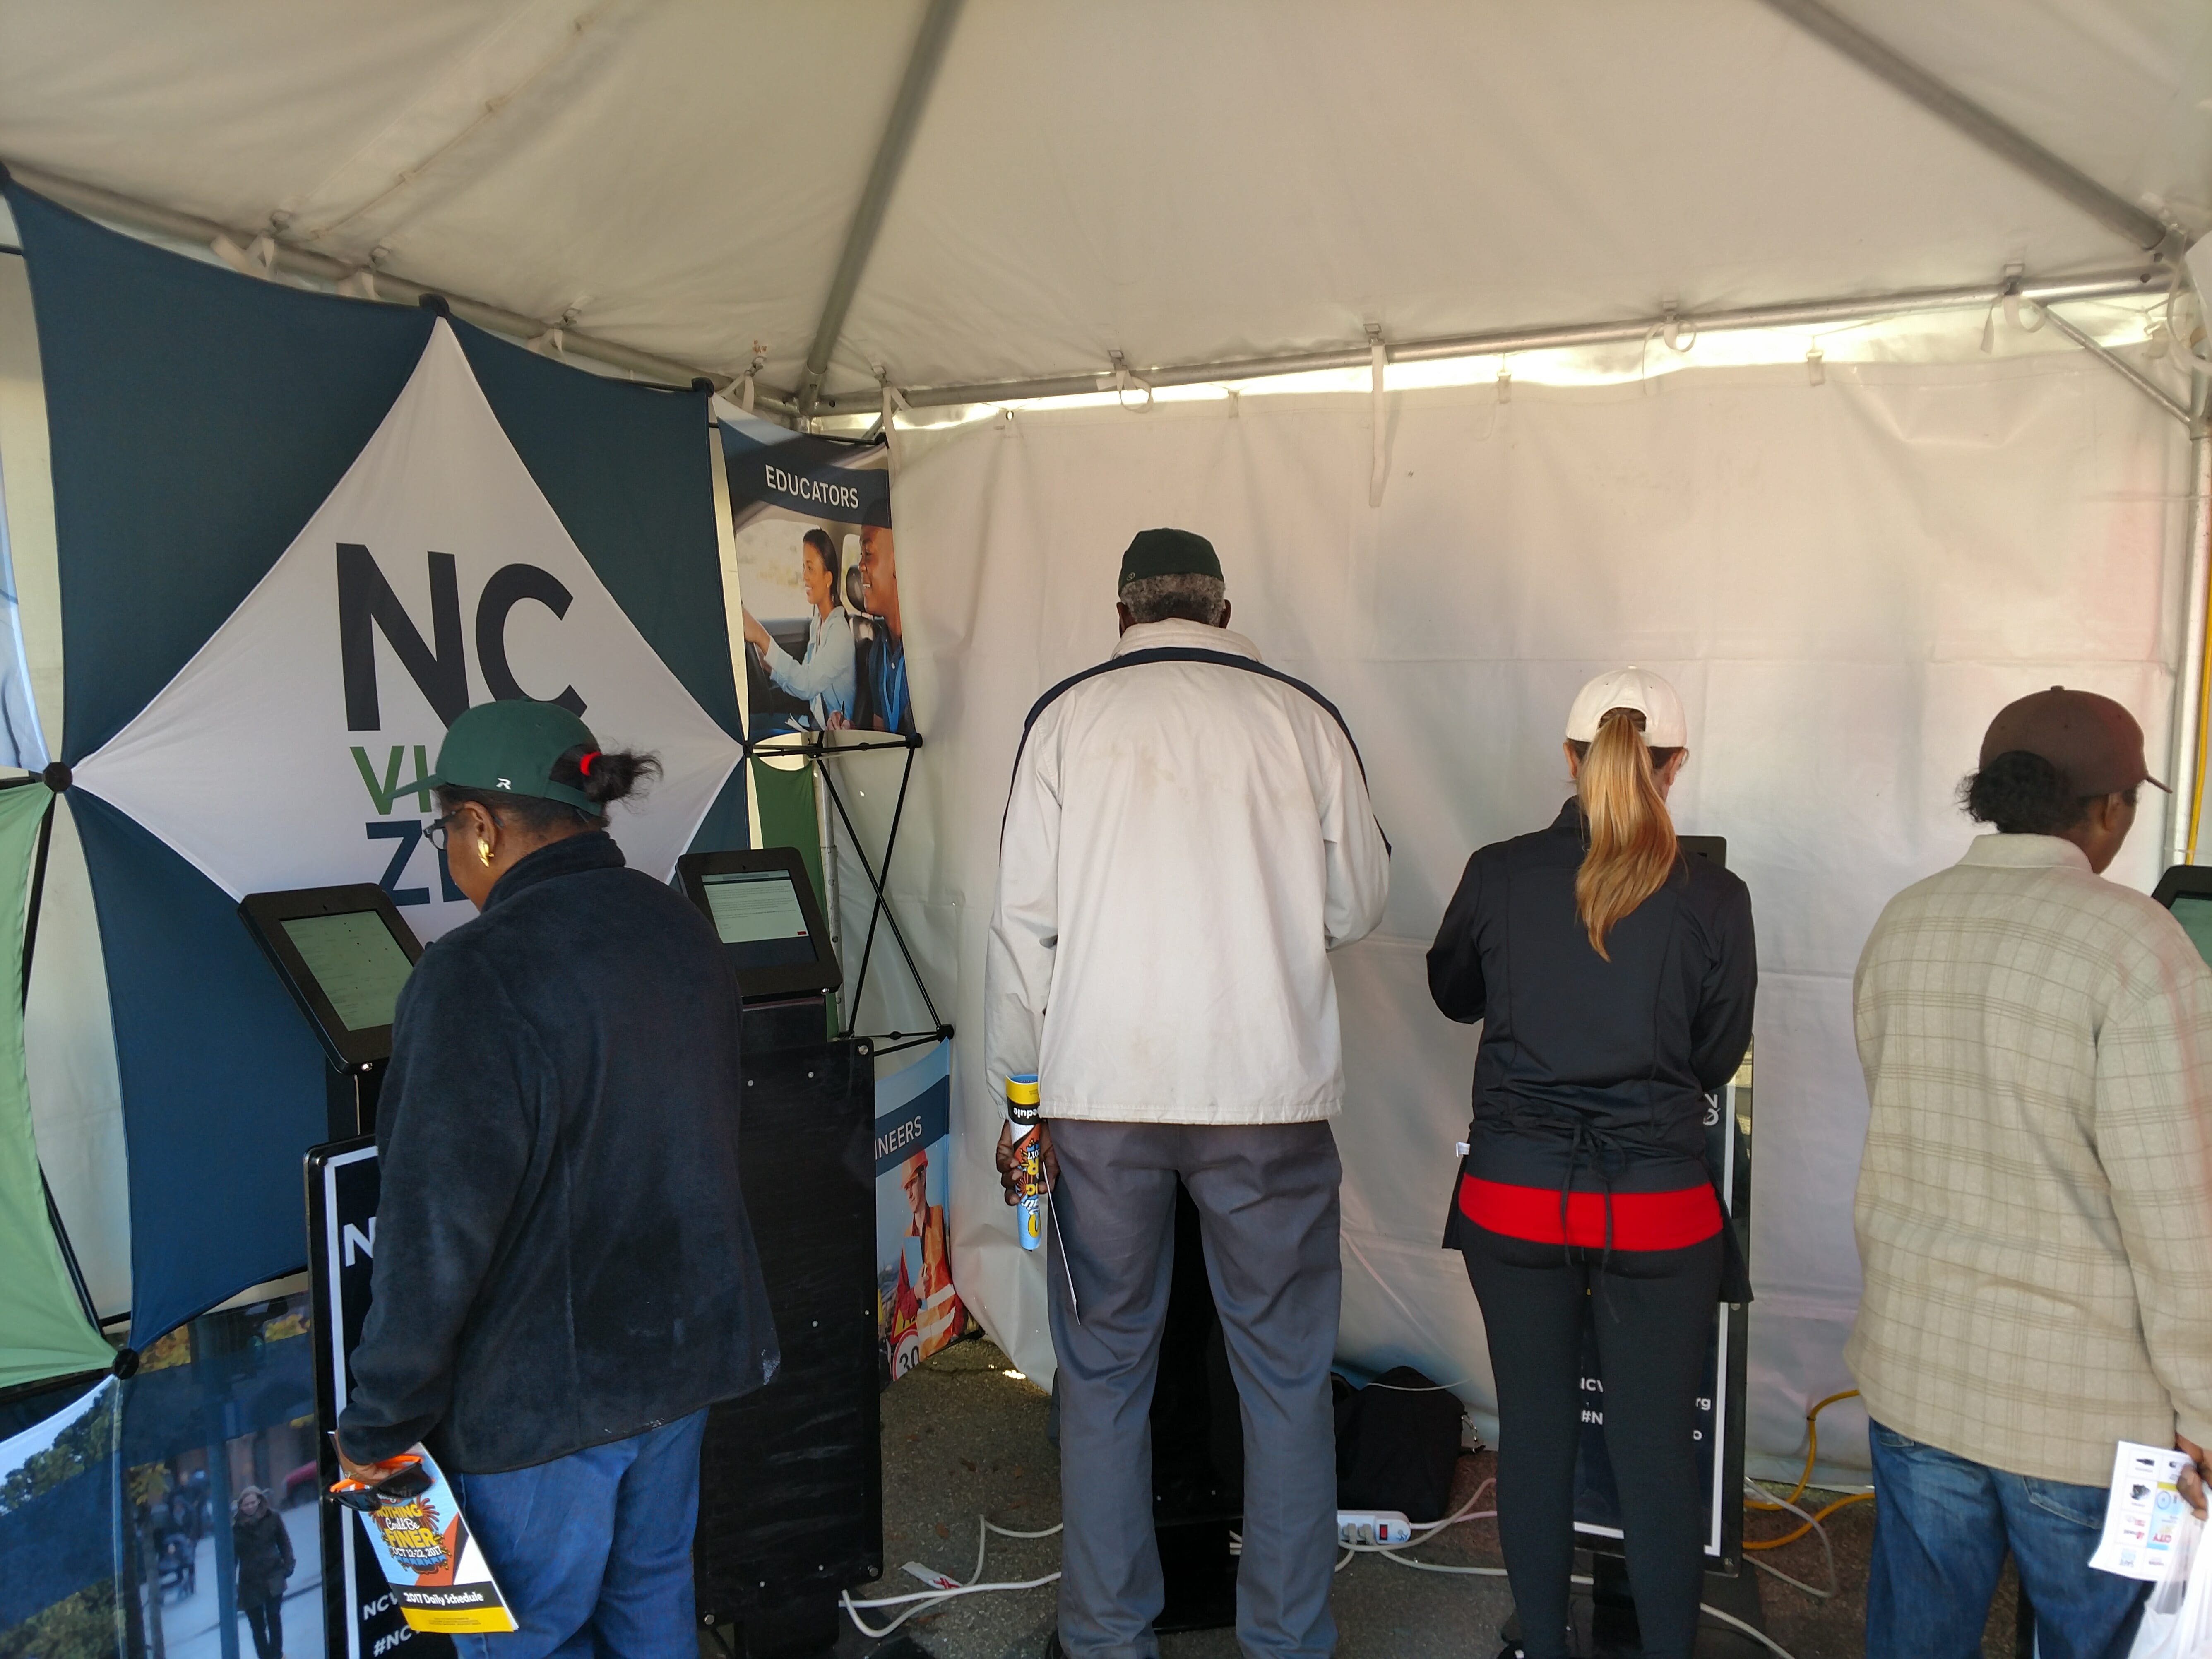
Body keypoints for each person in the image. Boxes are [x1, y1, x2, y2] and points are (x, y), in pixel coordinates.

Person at [986, 528, 1390, 1659]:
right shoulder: (1301, 716)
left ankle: (1107, 1635)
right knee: (1284, 1372)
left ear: (1122, 612)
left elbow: (1022, 934)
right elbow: (1359, 903)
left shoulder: (1065, 717)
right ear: (1222, 610)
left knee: (1106, 1368)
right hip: (1265, 1091)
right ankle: (1287, 1639)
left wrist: (1020, 1105)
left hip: (1100, 1091)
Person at [335, 699, 779, 1659]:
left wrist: (380, 1422)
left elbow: (433, 1232)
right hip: (683, 1364)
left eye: (447, 831)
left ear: (481, 827)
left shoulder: (473, 973)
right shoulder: (677, 926)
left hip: (544, 1407)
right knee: (652, 1595)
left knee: (530, 1633)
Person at [1849, 686, 2212, 1659]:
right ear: (2108, 810)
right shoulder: (2137, 946)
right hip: (2083, 1415)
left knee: (1917, 1638)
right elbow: (2176, 1217)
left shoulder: (1905, 920)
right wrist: (2204, 1405)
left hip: (1917, 1373)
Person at [1426, 668, 1754, 1659]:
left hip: (1515, 1200)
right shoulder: (1715, 894)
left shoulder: (1497, 872)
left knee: (1533, 1435)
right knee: (1653, 1455)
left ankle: (1542, 1644)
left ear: (1569, 759)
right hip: (1656, 1209)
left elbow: (1452, 992)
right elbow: (1713, 1055)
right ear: (1674, 765)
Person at [741, 527, 855, 729]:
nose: (804, 576)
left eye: (810, 569)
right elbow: (802, 677)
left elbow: (807, 685)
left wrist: (761, 636)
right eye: (804, 567)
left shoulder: (840, 634)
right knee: (753, 725)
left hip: (832, 735)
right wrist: (769, 666)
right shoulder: (819, 623)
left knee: (756, 731)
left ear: (828, 579)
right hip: (813, 723)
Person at [846, 519, 914, 736]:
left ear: (899, 561)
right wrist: (851, 735)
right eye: (861, 555)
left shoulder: (930, 652)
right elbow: (882, 738)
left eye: (868, 553)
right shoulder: (878, 650)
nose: (860, 565)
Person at [231, 1486, 293, 1659]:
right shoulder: (236, 1528)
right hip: (250, 1582)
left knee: (274, 1617)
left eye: (253, 1503)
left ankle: (276, 1655)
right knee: (257, 1626)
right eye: (246, 1505)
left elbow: (284, 1542)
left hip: (273, 1575)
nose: (250, 1507)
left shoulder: (273, 1518)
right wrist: (232, 1585)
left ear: (259, 1501)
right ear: (240, 1507)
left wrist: (288, 1566)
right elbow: (232, 1559)